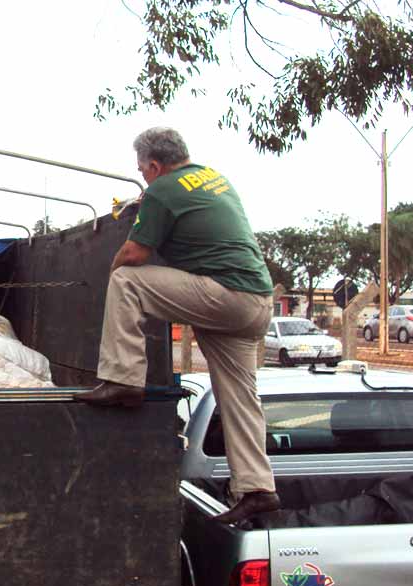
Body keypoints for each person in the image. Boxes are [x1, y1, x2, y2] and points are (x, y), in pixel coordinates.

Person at [73, 127, 278, 524]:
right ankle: (258, 488)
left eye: (142, 170)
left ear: (154, 165)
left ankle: (124, 380)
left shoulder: (164, 189)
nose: (144, 177)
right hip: (257, 301)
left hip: (227, 295)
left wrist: (107, 277)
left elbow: (135, 252)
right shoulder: (213, 177)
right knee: (239, 395)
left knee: (126, 281)